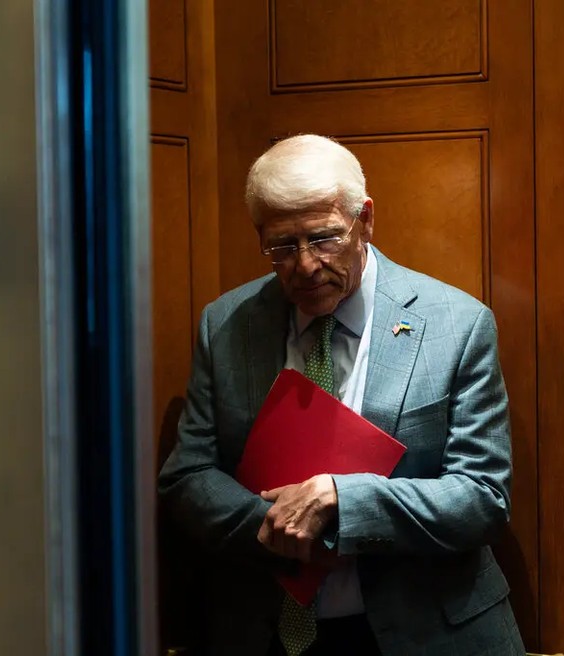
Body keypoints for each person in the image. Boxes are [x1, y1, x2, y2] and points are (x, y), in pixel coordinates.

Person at [157, 134, 525, 656]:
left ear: (365, 221)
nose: (305, 266)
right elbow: (187, 476)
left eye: (324, 238)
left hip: (423, 631)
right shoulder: (225, 326)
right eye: (282, 246)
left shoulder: (457, 325)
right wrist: (277, 526)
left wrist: (340, 501)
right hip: (265, 632)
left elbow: (483, 497)